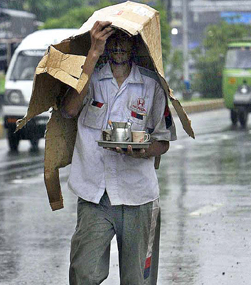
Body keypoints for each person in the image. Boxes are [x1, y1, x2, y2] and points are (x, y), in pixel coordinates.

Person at [62, 21, 176, 284]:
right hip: (94, 195)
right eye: (112, 39)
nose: (119, 46)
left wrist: (140, 151)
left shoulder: (152, 86)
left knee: (138, 279)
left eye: (125, 39)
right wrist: (92, 54)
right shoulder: (89, 79)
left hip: (138, 196)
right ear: (104, 45)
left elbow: (163, 141)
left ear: (135, 44)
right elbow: (69, 109)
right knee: (83, 274)